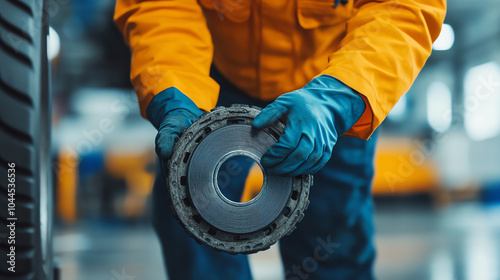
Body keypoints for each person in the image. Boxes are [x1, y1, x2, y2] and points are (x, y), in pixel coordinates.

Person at [114, 0, 446, 279]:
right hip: (210, 78)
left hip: (333, 85)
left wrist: (341, 96)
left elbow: (405, 6)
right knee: (195, 220)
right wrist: (177, 92)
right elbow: (160, 5)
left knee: (332, 249)